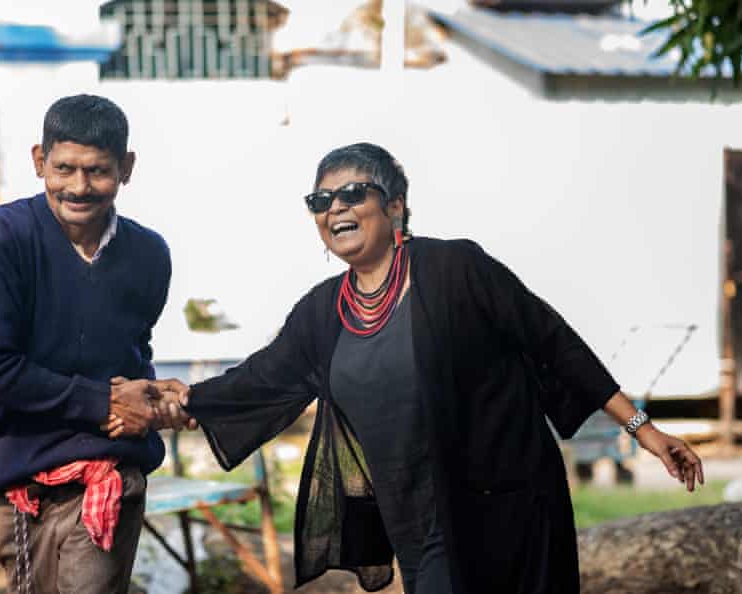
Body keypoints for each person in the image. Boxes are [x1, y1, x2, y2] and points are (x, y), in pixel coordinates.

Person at [148, 142, 705, 594]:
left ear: (394, 205)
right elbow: (262, 379)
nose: (335, 208)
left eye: (352, 193)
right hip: (408, 514)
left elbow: (554, 341)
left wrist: (644, 430)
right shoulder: (323, 312)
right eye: (321, 200)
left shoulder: (455, 269)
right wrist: (183, 401)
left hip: (502, 506)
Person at [0, 94, 190, 594]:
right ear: (40, 160)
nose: (79, 187)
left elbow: (128, 355)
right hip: (23, 482)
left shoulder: (149, 254)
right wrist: (102, 401)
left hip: (109, 474)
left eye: (98, 171)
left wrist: (152, 400)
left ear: (126, 168)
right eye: (64, 168)